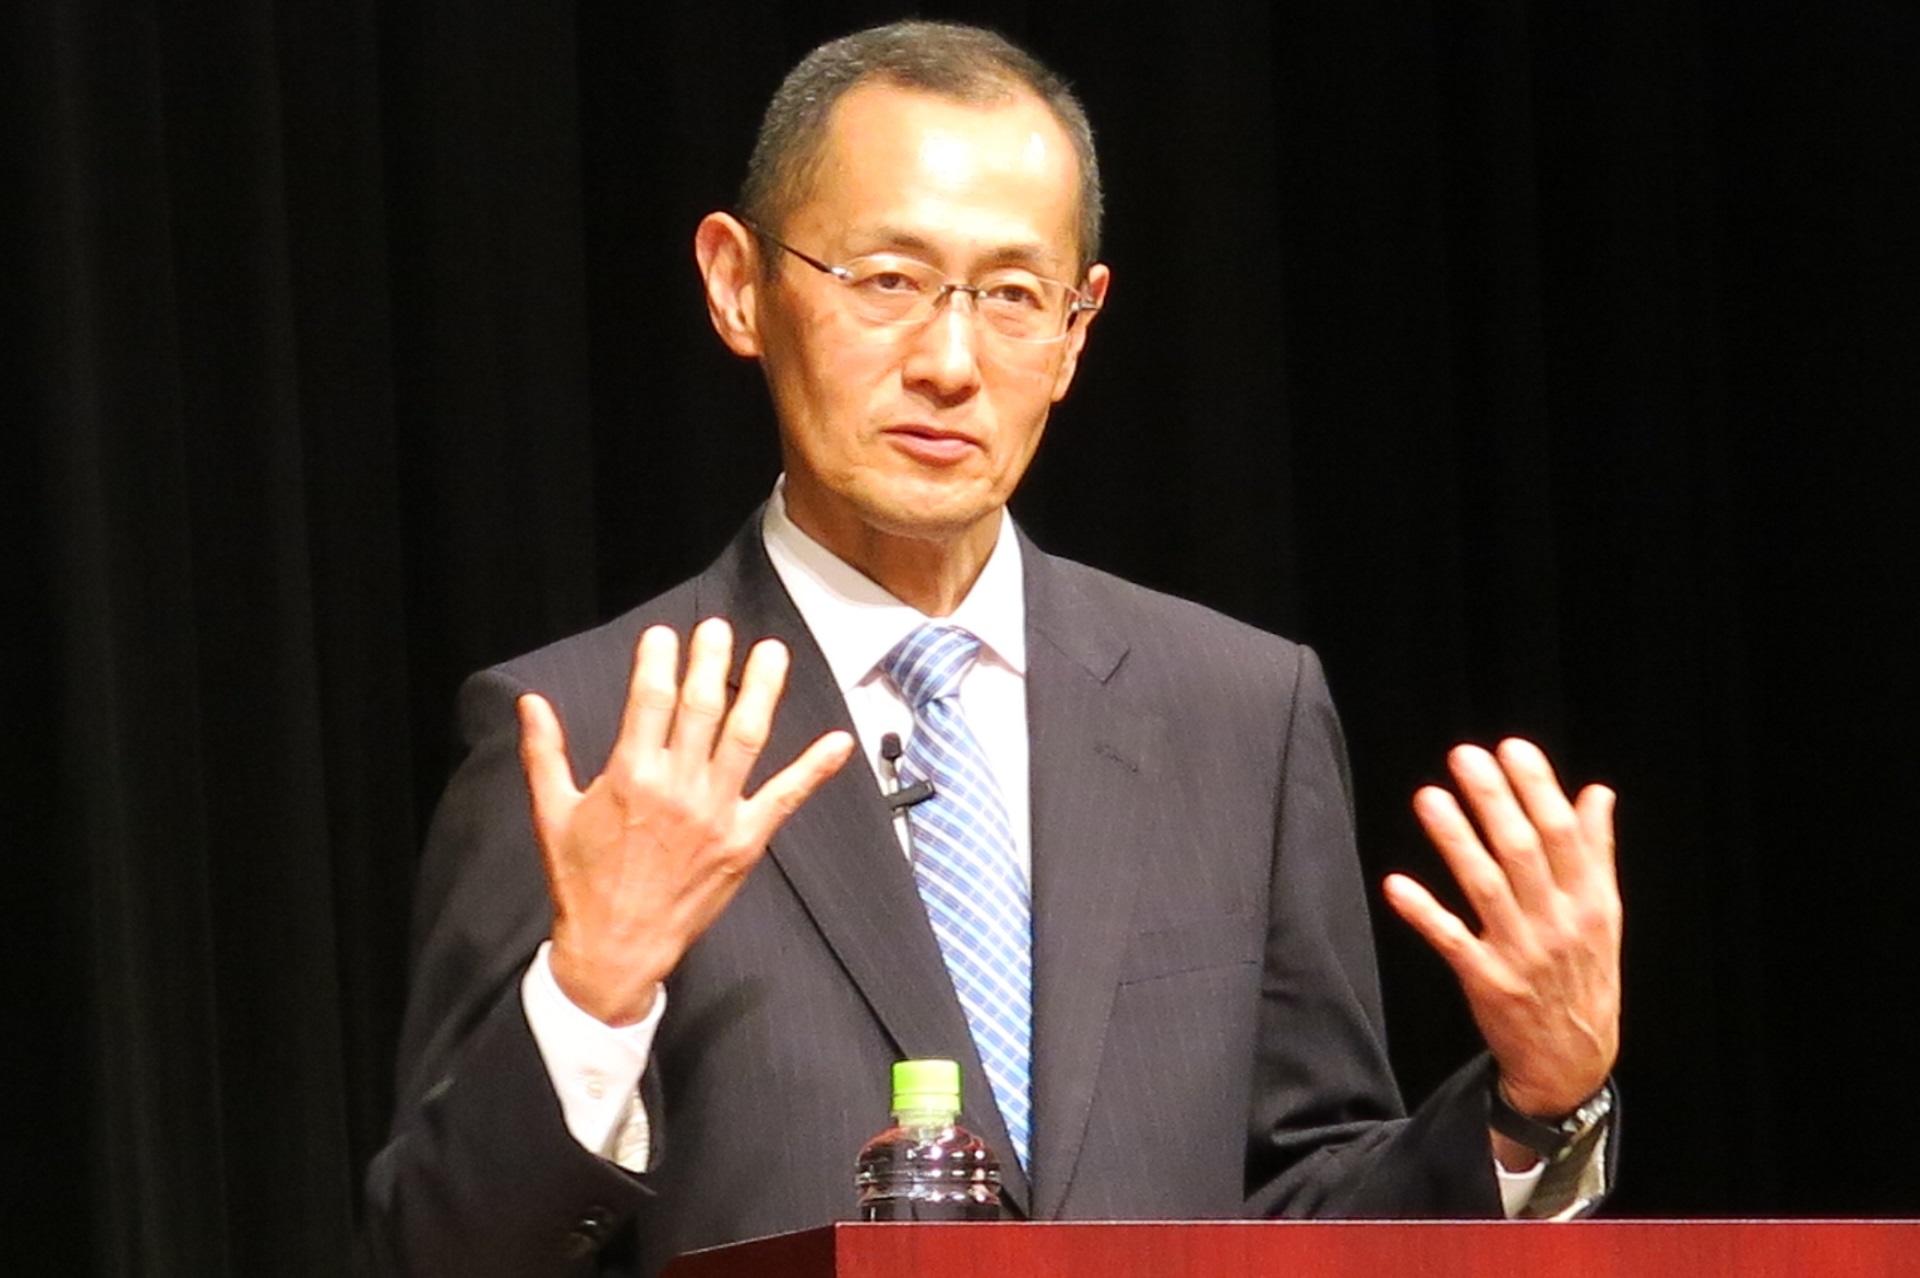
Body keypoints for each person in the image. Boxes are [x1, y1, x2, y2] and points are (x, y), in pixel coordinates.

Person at [362, 20, 1620, 1277]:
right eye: (886, 280)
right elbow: (429, 1252)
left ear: (1078, 328)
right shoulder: (584, 734)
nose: (951, 362)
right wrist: (593, 997)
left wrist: (1536, 1108)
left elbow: (1305, 1205)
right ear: (738, 283)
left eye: (1014, 296)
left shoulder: (1237, 708)